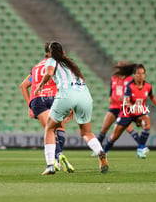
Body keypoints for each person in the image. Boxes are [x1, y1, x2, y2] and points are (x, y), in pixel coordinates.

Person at [34, 42, 109, 175]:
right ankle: (100, 152)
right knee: (86, 132)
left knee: (50, 129)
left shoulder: (51, 60)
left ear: (50, 53)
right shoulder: (71, 64)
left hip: (67, 95)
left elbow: (50, 72)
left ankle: (50, 165)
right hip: (85, 96)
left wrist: (40, 85)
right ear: (63, 52)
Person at [20, 43, 74, 173]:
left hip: (38, 100)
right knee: (59, 129)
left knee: (49, 130)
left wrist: (30, 106)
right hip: (55, 98)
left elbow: (23, 86)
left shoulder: (36, 67)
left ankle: (52, 163)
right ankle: (59, 156)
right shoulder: (57, 64)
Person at [102, 64, 156, 158]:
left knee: (147, 121)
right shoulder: (130, 87)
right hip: (126, 113)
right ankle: (104, 151)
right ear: (134, 75)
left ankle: (140, 149)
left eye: (143, 73)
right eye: (138, 73)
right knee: (115, 136)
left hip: (139, 112)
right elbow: (126, 101)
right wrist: (133, 106)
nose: (141, 75)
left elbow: (152, 96)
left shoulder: (148, 86)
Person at [96, 62, 141, 147]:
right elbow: (111, 88)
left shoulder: (129, 80)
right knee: (104, 128)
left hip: (124, 108)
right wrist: (110, 96)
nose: (117, 70)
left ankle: (142, 146)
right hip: (113, 107)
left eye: (119, 68)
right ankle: (97, 148)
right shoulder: (114, 78)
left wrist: (126, 98)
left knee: (130, 129)